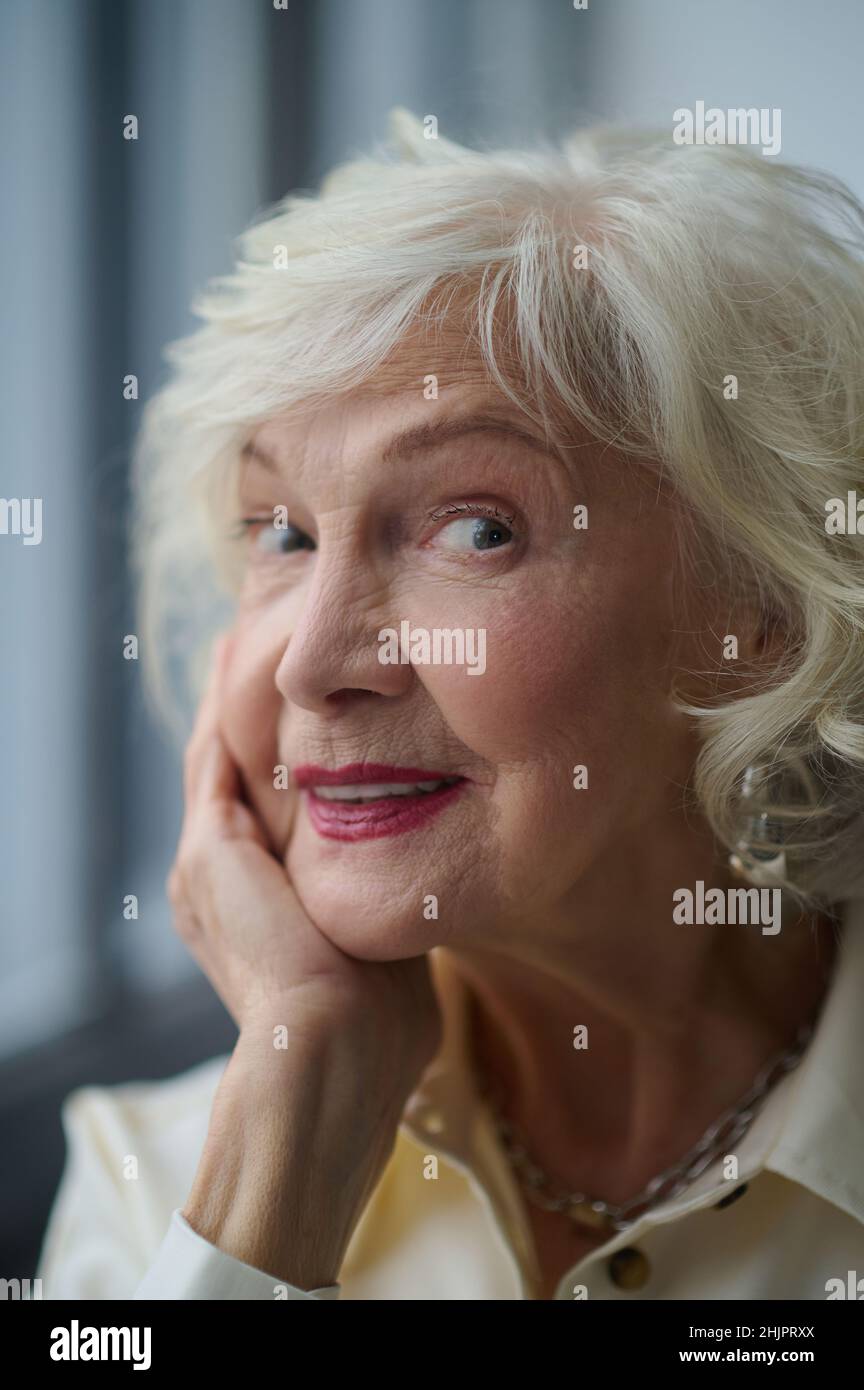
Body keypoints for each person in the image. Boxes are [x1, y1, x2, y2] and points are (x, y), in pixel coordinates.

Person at [36, 109, 864, 1300]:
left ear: (758, 611)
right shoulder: (148, 1180)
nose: (310, 662)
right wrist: (276, 1177)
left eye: (477, 527)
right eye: (283, 532)